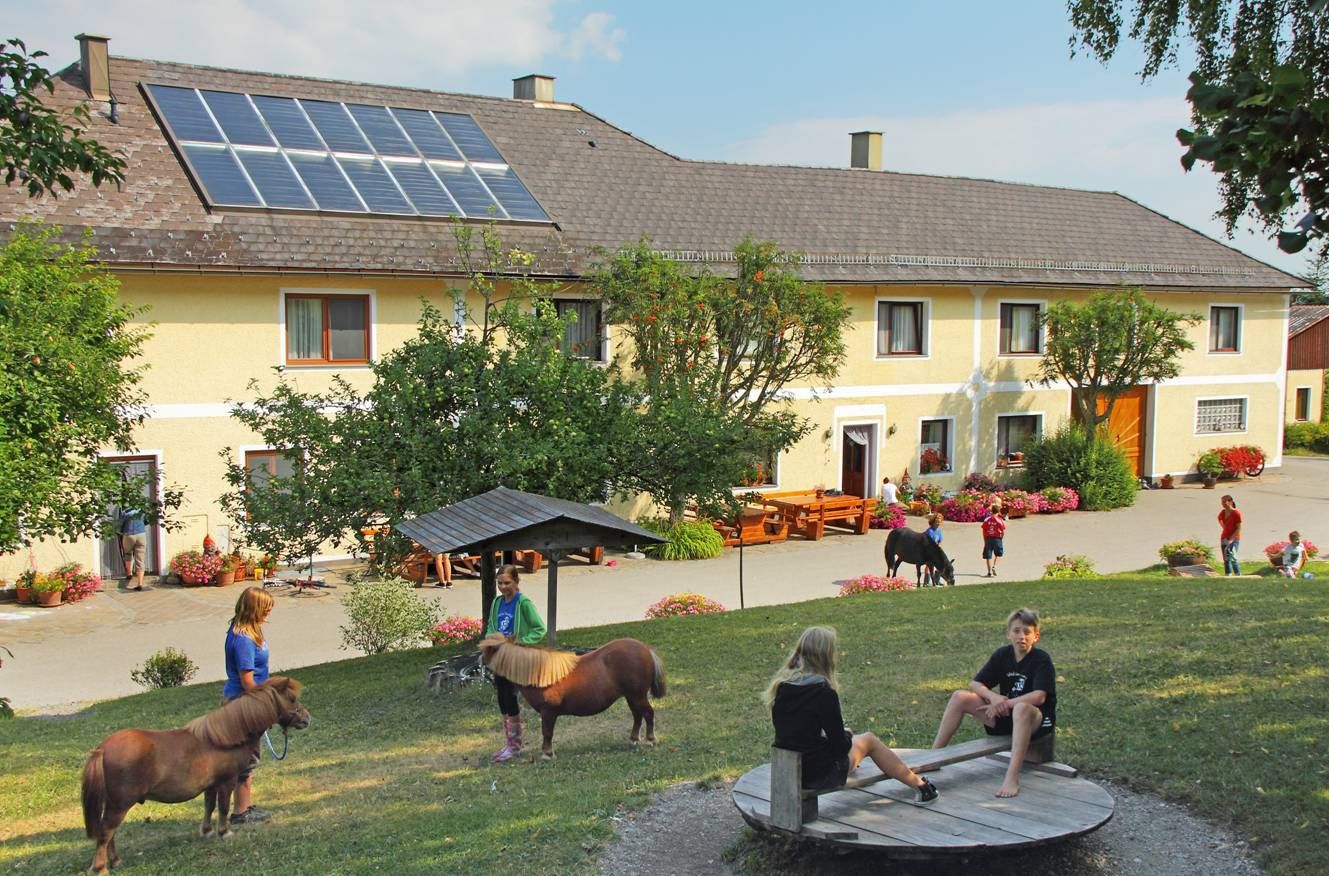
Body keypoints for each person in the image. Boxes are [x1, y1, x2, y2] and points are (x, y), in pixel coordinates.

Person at [766, 626, 938, 803]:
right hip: (816, 774)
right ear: (825, 657)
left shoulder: (783, 687)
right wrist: (847, 736)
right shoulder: (823, 692)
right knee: (869, 740)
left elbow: (797, 730)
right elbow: (839, 746)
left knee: (853, 742)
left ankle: (858, 766)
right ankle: (922, 787)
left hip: (788, 769)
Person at [932, 608, 1055, 798]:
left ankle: (1012, 777)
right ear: (1009, 634)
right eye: (1016, 631)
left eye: (1027, 632)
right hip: (1005, 717)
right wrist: (993, 697)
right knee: (959, 696)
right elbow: (975, 683)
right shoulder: (1002, 655)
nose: (1021, 636)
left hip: (1034, 723)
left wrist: (1006, 703)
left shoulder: (1041, 660)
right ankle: (934, 758)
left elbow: (1039, 696)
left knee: (1022, 708)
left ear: (1036, 636)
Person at [223, 586, 275, 823]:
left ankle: (245, 807)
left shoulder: (248, 631)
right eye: (265, 609)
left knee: (249, 756)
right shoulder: (243, 639)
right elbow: (247, 681)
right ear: (254, 609)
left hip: (247, 702)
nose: (268, 613)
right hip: (243, 703)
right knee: (245, 759)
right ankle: (240, 813)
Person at [484, 564, 546, 763]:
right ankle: (510, 744)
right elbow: (491, 626)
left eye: (507, 583)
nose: (503, 587)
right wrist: (491, 642)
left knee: (511, 696)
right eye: (500, 583)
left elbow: (539, 629)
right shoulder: (497, 602)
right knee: (502, 696)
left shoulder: (523, 603)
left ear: (517, 582)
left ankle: (515, 746)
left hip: (517, 657)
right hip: (500, 656)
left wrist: (518, 642)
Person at [118, 505, 148, 591]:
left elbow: (120, 526)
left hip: (129, 535)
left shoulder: (125, 512)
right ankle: (140, 583)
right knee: (140, 560)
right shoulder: (142, 510)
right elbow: (146, 521)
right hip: (141, 535)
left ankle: (129, 573)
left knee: (128, 553)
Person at [1218, 494, 1243, 576]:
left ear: (1230, 502)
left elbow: (1238, 528)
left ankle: (1237, 574)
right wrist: (1224, 528)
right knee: (1226, 558)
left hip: (1234, 539)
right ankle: (1228, 574)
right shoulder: (1222, 512)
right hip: (1224, 538)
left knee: (1233, 557)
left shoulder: (1236, 513)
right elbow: (1219, 519)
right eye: (1222, 502)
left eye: (1224, 502)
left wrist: (1232, 539)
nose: (1223, 504)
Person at [981, 503, 1006, 577]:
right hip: (997, 539)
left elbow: (983, 530)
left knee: (988, 556)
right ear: (998, 512)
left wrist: (984, 539)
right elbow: (1003, 530)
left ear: (991, 511)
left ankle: (989, 572)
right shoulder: (1000, 520)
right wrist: (1001, 537)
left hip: (988, 538)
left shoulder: (986, 519)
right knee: (998, 554)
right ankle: (994, 566)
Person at [924, 513, 945, 586]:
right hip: (929, 551)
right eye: (937, 522)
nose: (938, 523)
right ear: (933, 522)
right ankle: (926, 581)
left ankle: (937, 580)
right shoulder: (929, 531)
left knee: (940, 565)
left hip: (937, 551)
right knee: (929, 566)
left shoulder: (939, 531)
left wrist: (939, 546)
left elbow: (940, 540)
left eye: (939, 522)